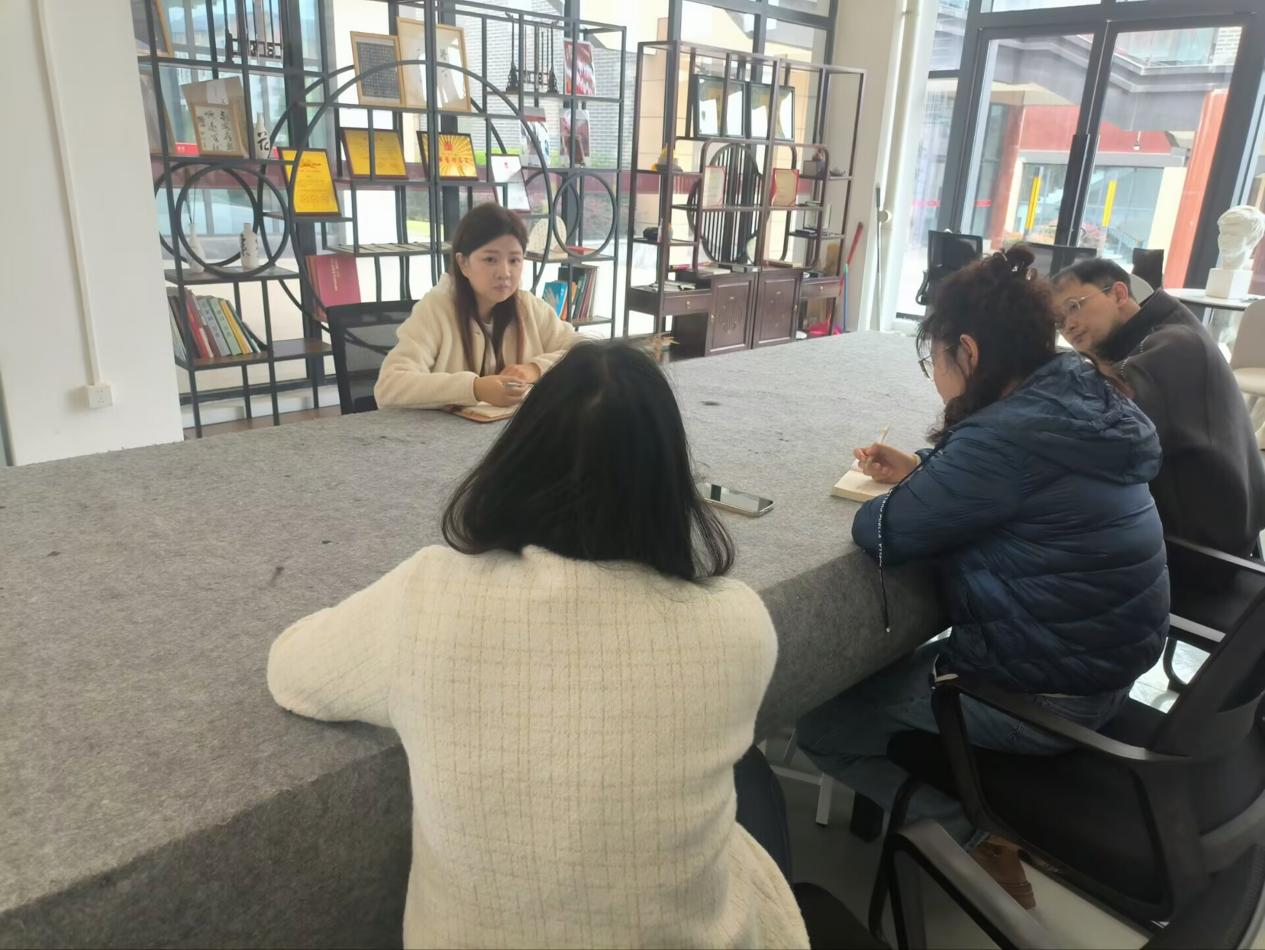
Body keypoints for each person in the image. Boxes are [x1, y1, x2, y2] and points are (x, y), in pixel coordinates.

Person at [269, 343, 809, 949]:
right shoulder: (738, 623)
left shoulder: (428, 594)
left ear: (516, 458)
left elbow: (290, 670)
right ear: (671, 481)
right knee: (748, 793)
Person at [797, 247, 1169, 909]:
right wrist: (929, 471)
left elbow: (884, 532)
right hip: (1106, 673)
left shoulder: (1002, 440)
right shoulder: (1078, 394)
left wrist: (923, 485)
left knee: (822, 723)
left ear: (966, 352)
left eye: (934, 360)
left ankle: (976, 835)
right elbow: (1024, 488)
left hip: (1043, 700)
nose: (935, 377)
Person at [1052, 257, 1265, 556]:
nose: (1069, 326)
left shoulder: (1174, 346)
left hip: (1202, 547)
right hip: (1211, 526)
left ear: (1118, 294)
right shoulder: (1159, 332)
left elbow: (1103, 440)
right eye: (1059, 321)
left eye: (1074, 306)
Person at [373, 203, 579, 410]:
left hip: (514, 427)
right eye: (490, 259)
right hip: (446, 430)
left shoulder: (527, 306)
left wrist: (535, 368)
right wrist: (474, 388)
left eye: (514, 260)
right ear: (463, 263)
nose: (504, 272)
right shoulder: (435, 308)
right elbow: (389, 387)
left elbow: (588, 348)